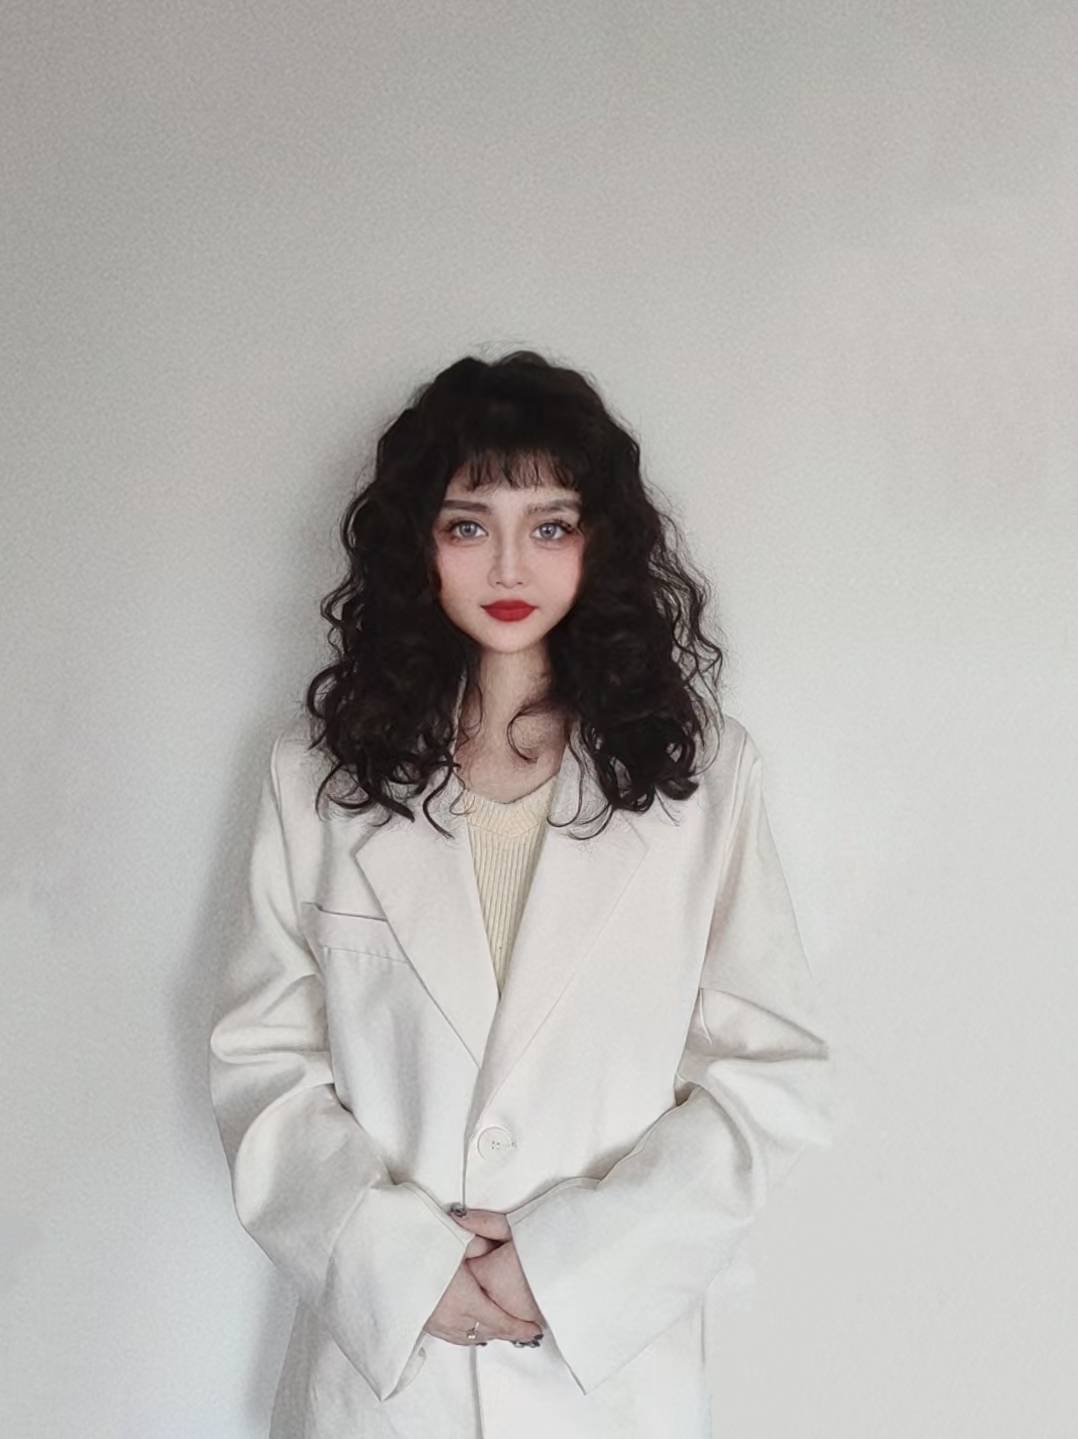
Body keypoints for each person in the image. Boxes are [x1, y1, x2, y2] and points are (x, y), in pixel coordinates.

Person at [207, 350, 835, 1438]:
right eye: (469, 524)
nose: (509, 563)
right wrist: (399, 1269)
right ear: (418, 544)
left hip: (608, 1381)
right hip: (390, 1378)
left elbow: (767, 1073)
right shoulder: (316, 776)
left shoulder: (701, 778)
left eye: (550, 525)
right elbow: (262, 1061)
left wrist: (571, 1267)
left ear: (601, 542)